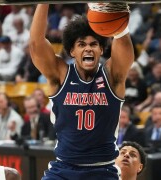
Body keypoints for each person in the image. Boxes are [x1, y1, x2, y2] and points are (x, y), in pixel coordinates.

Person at [30, 3, 134, 179]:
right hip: (63, 169)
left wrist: (119, 21)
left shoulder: (111, 76)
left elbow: (123, 46)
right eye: (81, 44)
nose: (88, 48)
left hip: (102, 170)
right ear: (72, 50)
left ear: (101, 49)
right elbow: (36, 43)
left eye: (94, 44)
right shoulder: (60, 75)